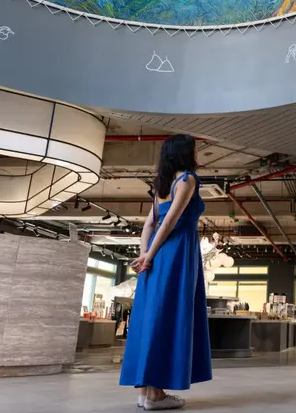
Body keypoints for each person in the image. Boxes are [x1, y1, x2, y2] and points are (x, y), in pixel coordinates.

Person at [120, 135, 212, 410]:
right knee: (169, 317)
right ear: (186, 152)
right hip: (176, 253)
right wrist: (149, 255)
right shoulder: (187, 179)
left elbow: (150, 223)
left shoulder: (162, 184)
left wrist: (145, 254)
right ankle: (156, 395)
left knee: (153, 316)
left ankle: (146, 389)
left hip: (157, 256)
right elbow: (170, 220)